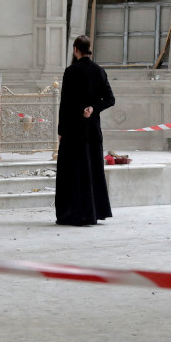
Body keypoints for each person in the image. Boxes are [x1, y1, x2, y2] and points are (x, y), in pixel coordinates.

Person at [54, 35, 116, 227]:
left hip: (73, 131)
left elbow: (65, 105)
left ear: (75, 50)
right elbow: (110, 99)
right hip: (92, 131)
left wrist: (61, 130)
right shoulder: (99, 71)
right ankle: (94, 213)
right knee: (92, 171)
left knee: (72, 173)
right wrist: (93, 108)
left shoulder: (71, 72)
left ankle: (72, 214)